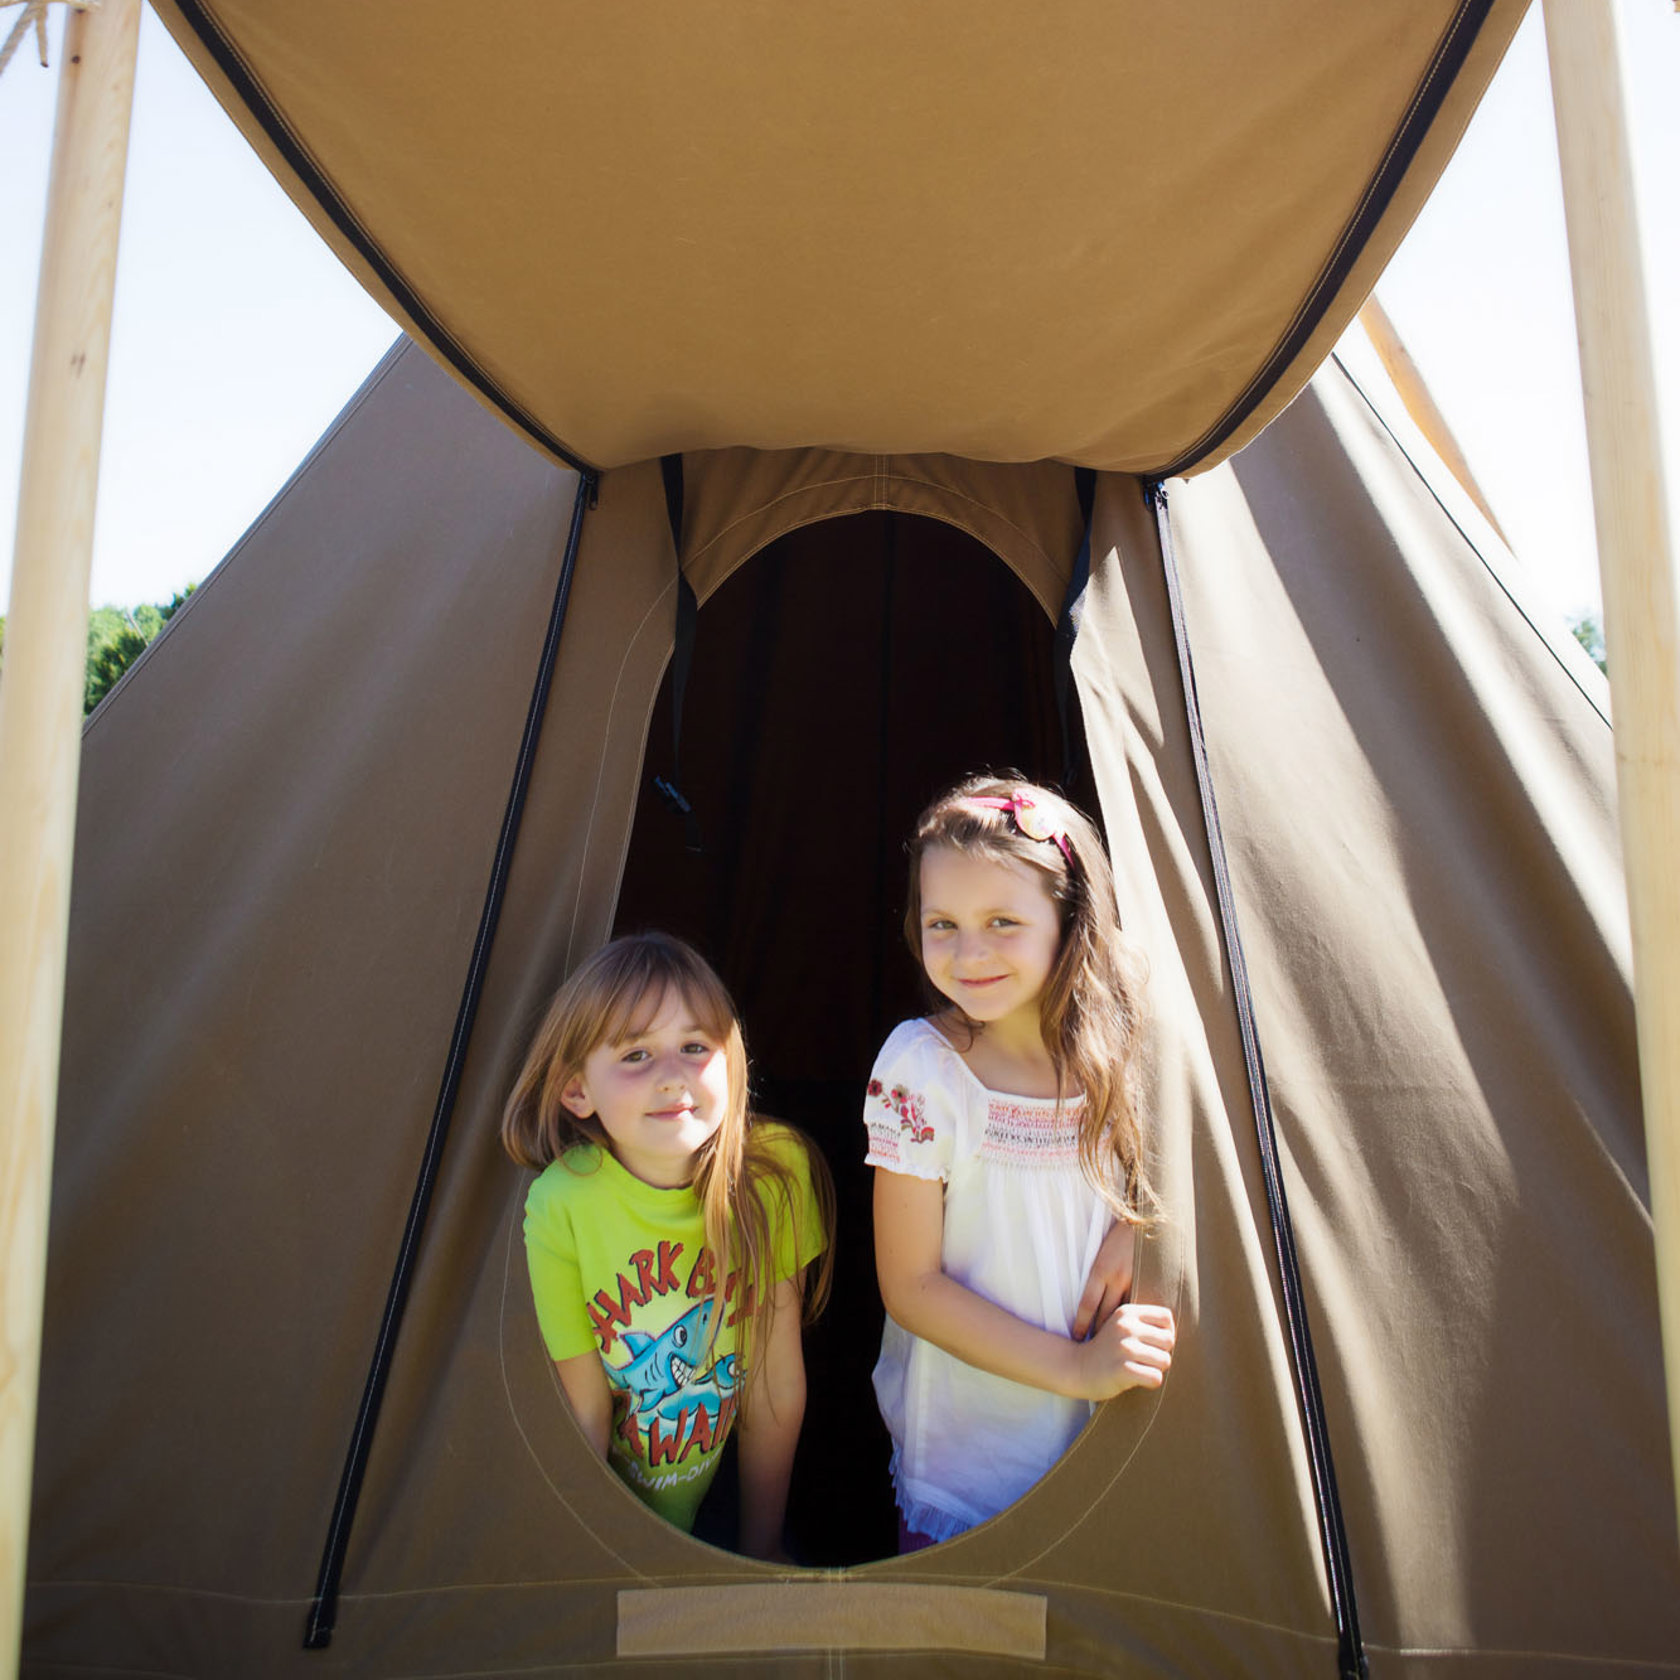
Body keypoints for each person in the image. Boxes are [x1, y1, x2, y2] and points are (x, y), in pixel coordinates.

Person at [866, 774, 1176, 1549]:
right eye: (943, 924)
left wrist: (1134, 1233)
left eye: (1002, 921)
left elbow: (1184, 1167)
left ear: (1069, 919)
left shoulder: (1125, 1048)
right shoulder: (923, 1069)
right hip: (972, 1456)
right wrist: (1076, 1371)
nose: (969, 954)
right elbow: (911, 1286)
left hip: (1109, 1436)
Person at [504, 932, 833, 1560]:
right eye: (635, 1055)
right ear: (578, 1091)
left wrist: (761, 1547)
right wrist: (591, 1553)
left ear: (731, 1064)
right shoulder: (561, 1205)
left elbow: (772, 1385)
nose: (672, 1077)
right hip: (616, 1509)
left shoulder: (773, 1176)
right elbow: (584, 1410)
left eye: (693, 1046)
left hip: (728, 1490)